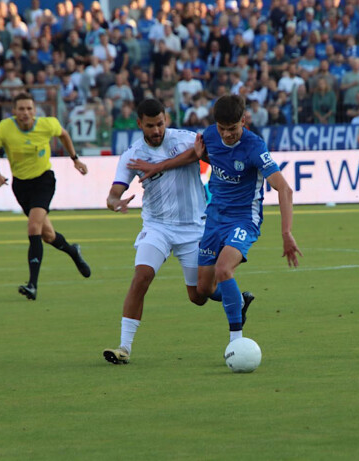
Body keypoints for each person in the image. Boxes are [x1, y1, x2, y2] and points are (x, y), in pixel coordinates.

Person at [102, 99, 209, 365]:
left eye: (160, 123)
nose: (157, 130)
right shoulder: (132, 155)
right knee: (141, 277)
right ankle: (124, 347)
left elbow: (208, 155)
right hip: (157, 226)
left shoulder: (185, 140)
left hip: (193, 227)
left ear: (166, 120)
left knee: (198, 296)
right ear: (139, 124)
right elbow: (113, 194)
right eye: (150, 125)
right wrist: (116, 203)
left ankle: (233, 297)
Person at [195, 95, 301, 344]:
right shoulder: (209, 135)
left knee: (223, 269)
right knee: (203, 290)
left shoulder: (255, 146)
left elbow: (284, 189)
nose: (227, 134)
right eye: (222, 128)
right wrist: (202, 157)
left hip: (244, 219)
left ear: (244, 121)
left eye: (232, 129)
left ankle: (236, 342)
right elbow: (223, 162)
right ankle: (238, 300)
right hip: (214, 218)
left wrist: (286, 233)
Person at [0, 93, 91, 300]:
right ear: (14, 112)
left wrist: (75, 159)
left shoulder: (47, 124)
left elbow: (64, 135)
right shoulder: (4, 128)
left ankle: (32, 284)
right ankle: (73, 251)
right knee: (48, 235)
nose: (25, 113)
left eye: (29, 109)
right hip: (21, 186)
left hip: (44, 181)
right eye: (21, 109)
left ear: (35, 111)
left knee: (33, 227)